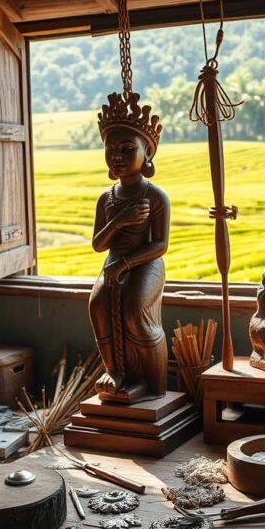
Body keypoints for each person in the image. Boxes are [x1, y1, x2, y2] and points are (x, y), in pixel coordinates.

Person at [88, 91, 170, 404]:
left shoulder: (155, 197)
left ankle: (154, 382)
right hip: (112, 261)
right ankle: (115, 371)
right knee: (98, 306)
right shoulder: (107, 198)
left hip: (145, 263)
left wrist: (125, 265)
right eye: (110, 150)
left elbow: (160, 245)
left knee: (136, 311)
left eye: (126, 149)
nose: (117, 156)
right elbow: (99, 244)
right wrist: (119, 220)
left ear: (146, 155)